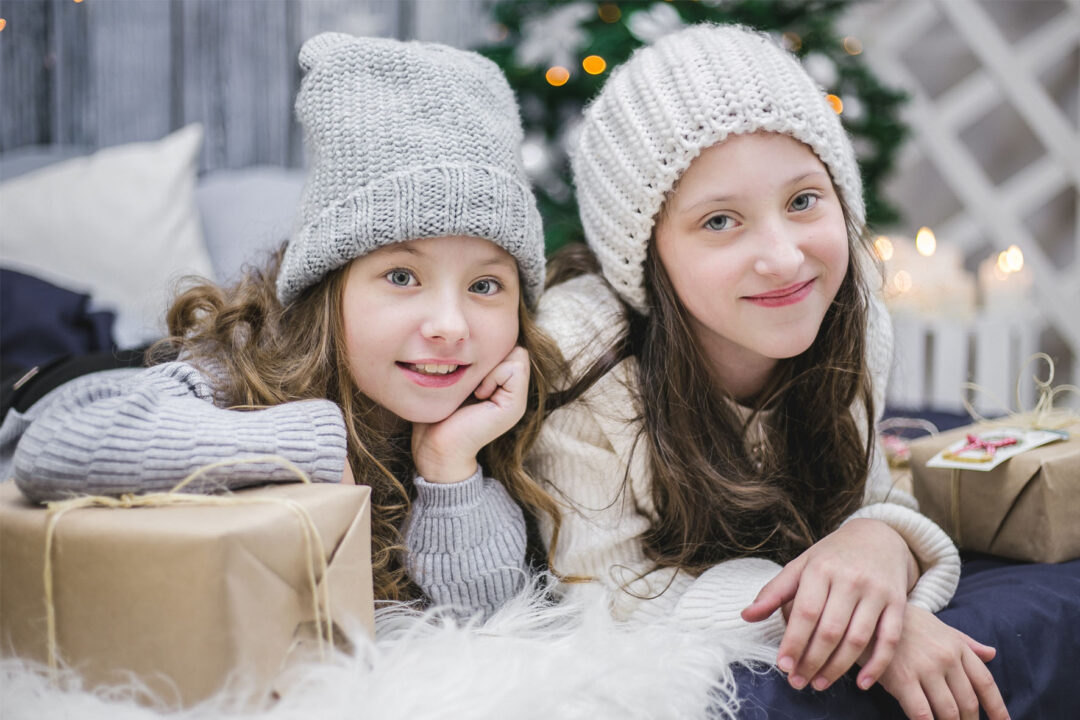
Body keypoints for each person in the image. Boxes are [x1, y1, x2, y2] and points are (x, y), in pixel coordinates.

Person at [530, 24, 1008, 720]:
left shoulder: (849, 315)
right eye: (721, 221)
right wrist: (858, 620)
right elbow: (607, 590)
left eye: (803, 201)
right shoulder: (578, 354)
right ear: (644, 253)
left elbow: (870, 496)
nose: (784, 258)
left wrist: (876, 544)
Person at [3, 33, 560, 620]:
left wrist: (449, 466)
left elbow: (492, 622)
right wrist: (313, 442)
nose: (450, 326)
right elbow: (48, 451)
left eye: (484, 286)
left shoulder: (494, 407)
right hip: (47, 385)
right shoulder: (236, 370)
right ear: (328, 288)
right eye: (401, 276)